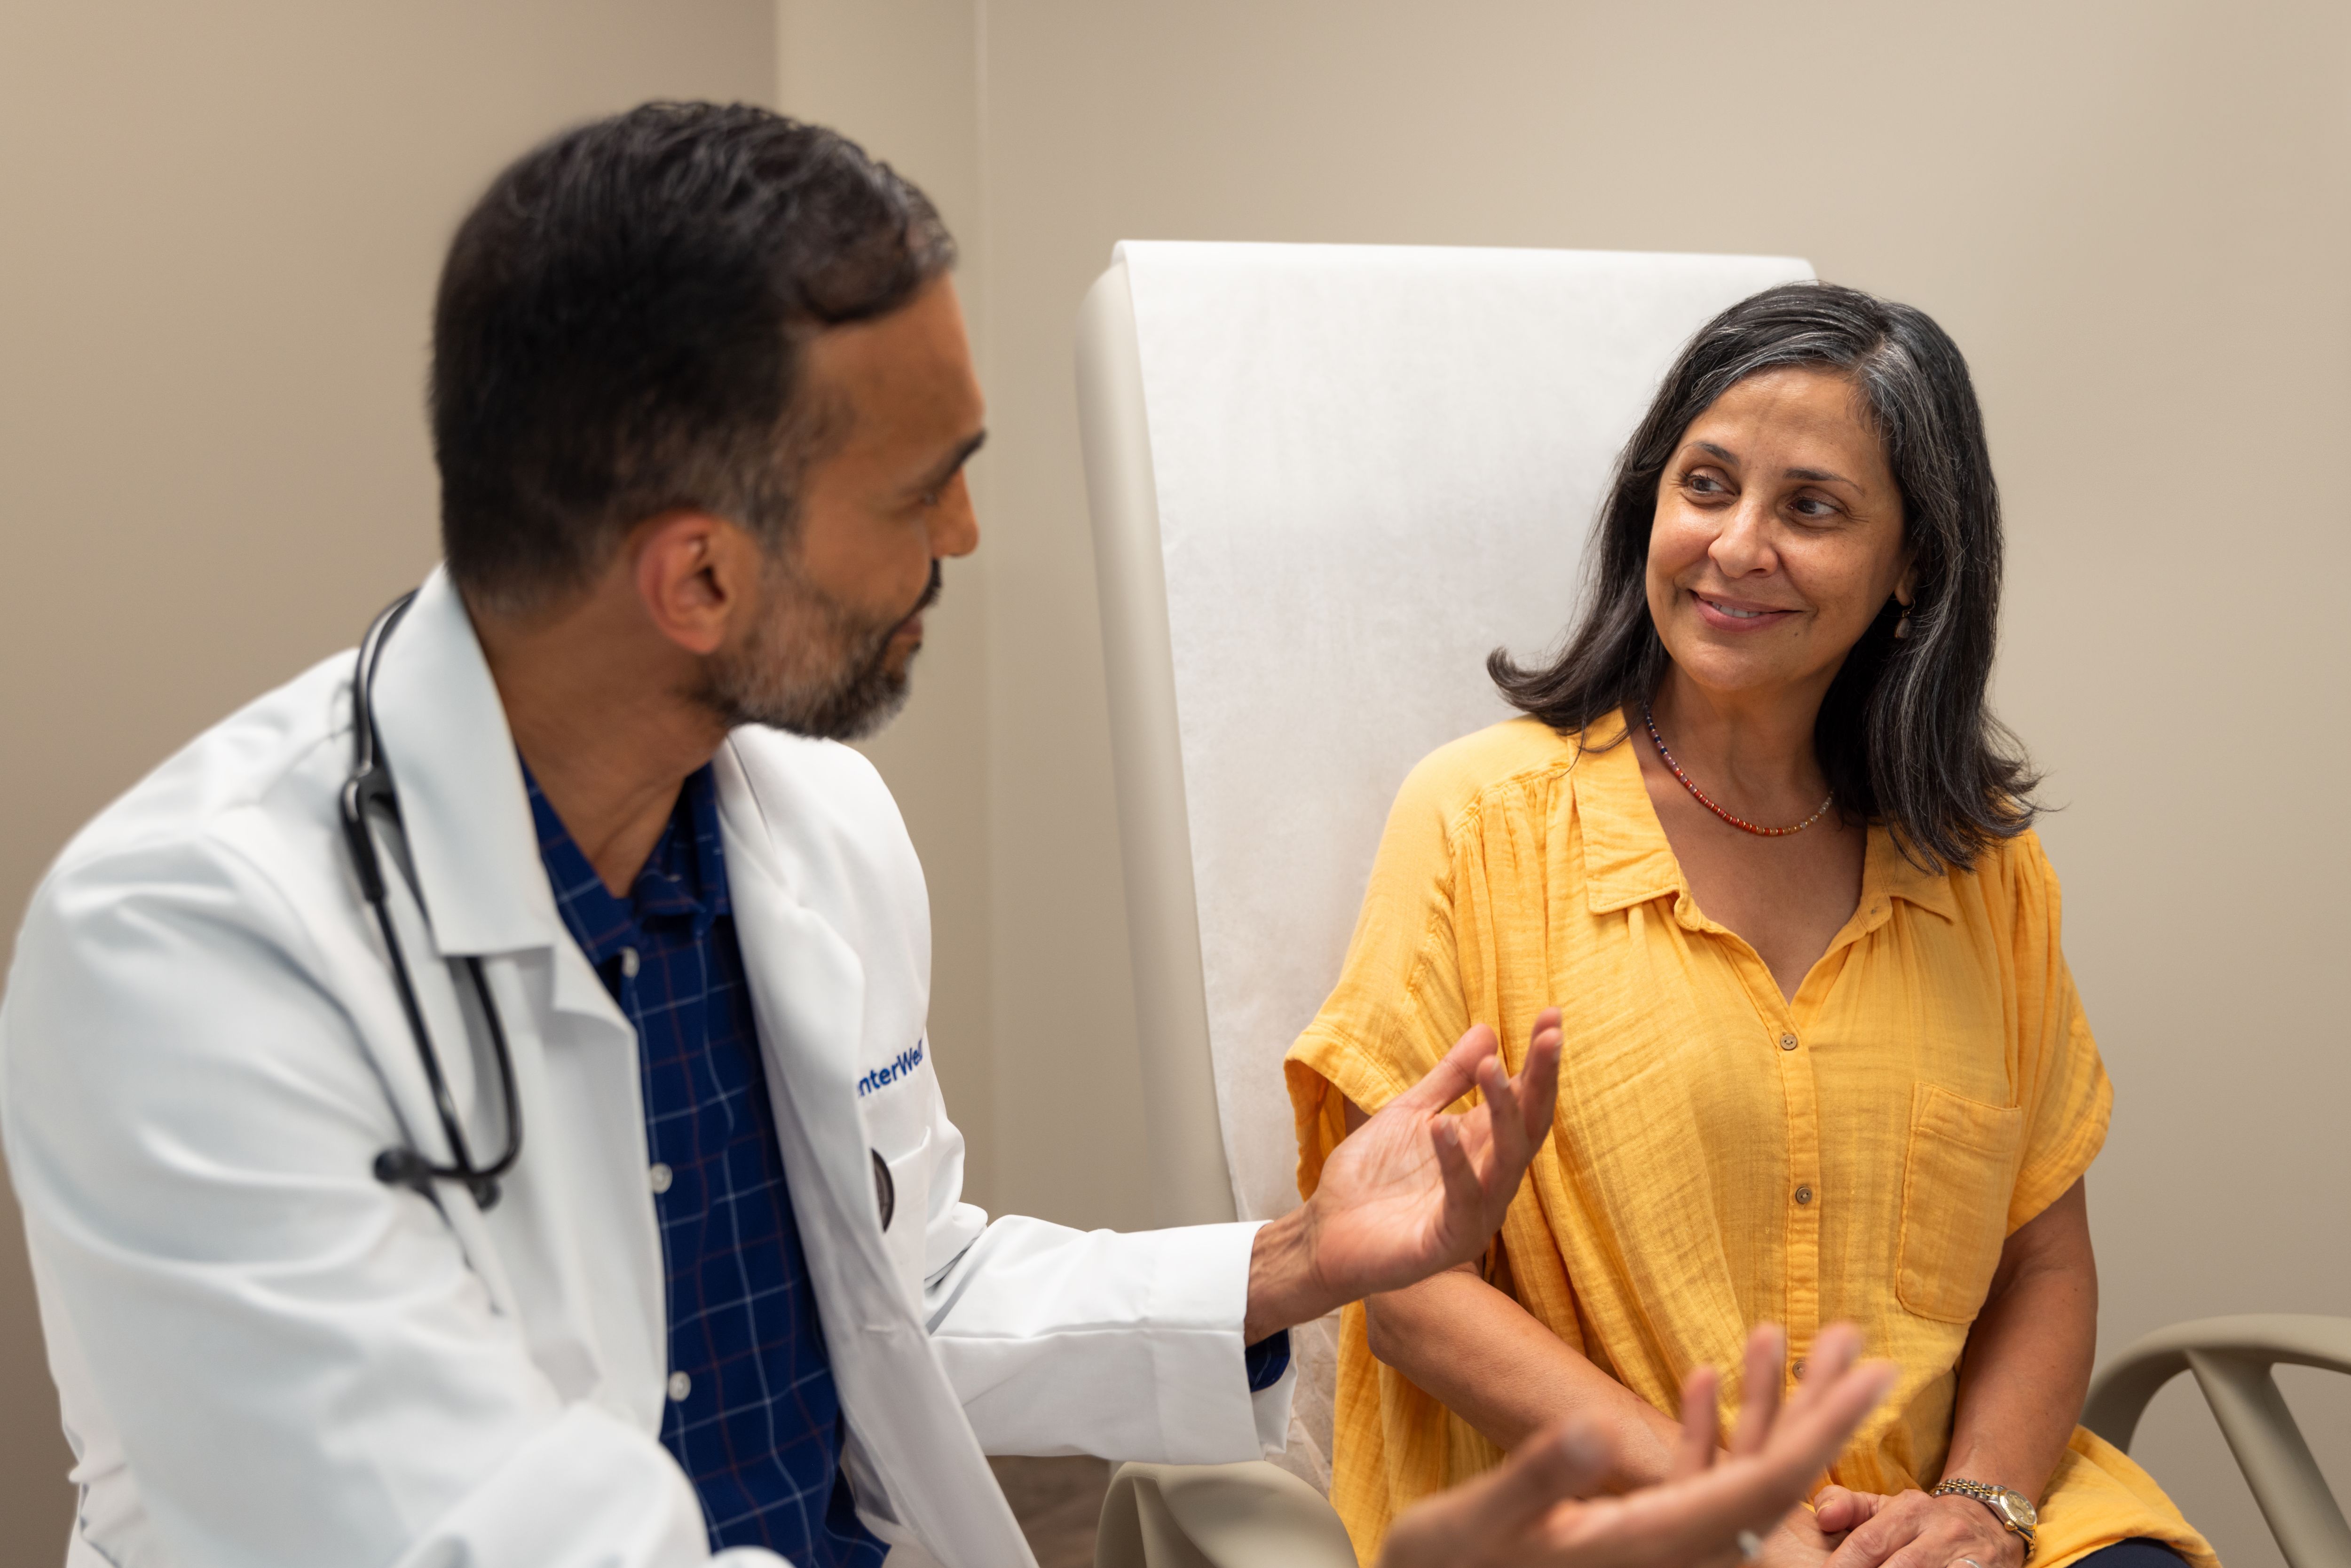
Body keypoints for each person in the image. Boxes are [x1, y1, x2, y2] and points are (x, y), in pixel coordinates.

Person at [0, 103, 1880, 1568]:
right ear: (700, 573)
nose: (967, 544)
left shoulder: (803, 828)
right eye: (927, 488)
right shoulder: (187, 956)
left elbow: (901, 1298)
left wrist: (1297, 1260)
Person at [1284, 281, 2217, 1568]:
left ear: (1915, 568)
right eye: (1707, 486)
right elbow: (1403, 1289)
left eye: (1813, 508)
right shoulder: (1480, 821)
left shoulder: (1983, 869)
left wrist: (1980, 1509)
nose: (1735, 546)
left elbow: (2044, 1268)